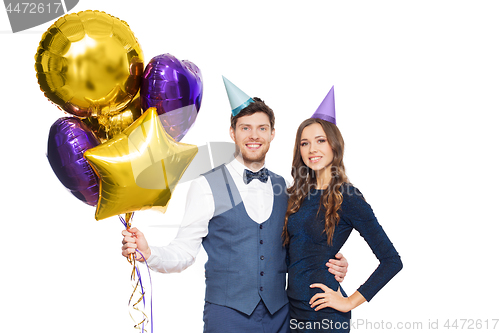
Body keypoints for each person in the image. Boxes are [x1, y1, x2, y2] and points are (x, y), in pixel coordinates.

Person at [121, 77, 348, 333]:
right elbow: (184, 253)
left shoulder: (286, 188)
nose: (254, 135)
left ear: (273, 134)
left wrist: (333, 262)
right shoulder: (205, 186)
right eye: (245, 128)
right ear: (233, 132)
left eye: (262, 128)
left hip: (281, 316)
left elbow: (301, 247)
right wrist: (149, 252)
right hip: (226, 317)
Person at [283, 86, 403, 332]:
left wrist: (349, 302)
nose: (312, 149)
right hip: (291, 311)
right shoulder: (296, 195)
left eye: (320, 141)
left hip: (324, 316)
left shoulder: (347, 197)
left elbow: (392, 261)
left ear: (334, 145)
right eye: (304, 143)